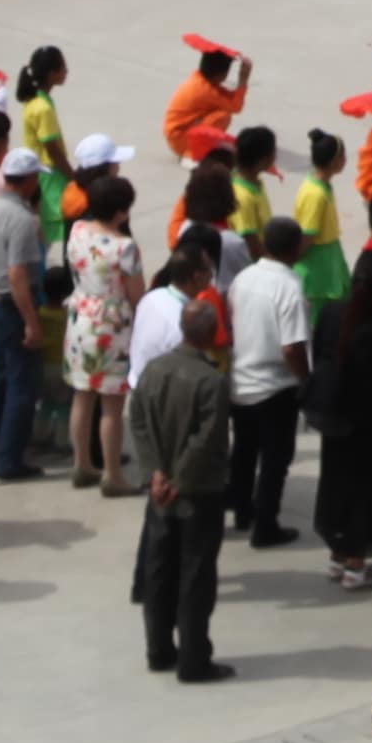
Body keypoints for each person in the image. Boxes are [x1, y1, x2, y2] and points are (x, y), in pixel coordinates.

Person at [132, 284, 231, 671]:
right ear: (211, 333)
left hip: (160, 494)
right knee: (195, 575)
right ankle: (193, 658)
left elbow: (138, 422)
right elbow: (207, 439)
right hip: (197, 492)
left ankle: (159, 650)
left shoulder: (154, 371)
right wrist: (178, 479)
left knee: (159, 572)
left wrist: (155, 473)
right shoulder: (211, 381)